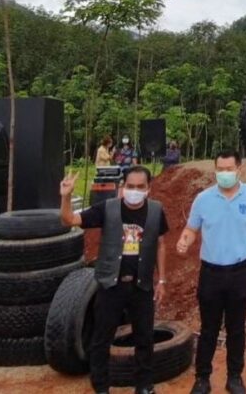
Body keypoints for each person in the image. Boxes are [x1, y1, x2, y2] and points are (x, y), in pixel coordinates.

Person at [60, 165, 168, 394]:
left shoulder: (156, 211)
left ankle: (144, 386)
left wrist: (162, 280)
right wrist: (67, 196)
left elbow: (160, 244)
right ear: (122, 187)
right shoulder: (107, 209)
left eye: (140, 187)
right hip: (111, 284)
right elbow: (69, 219)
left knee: (144, 338)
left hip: (142, 286)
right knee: (102, 339)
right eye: (130, 186)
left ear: (149, 188)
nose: (135, 191)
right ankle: (101, 387)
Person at [176, 149, 246, 394]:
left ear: (240, 169)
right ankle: (202, 378)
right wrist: (184, 240)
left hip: (241, 272)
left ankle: (235, 377)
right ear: (215, 170)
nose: (225, 174)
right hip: (211, 273)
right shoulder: (203, 199)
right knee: (208, 328)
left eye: (229, 169)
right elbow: (191, 229)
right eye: (220, 169)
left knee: (236, 329)